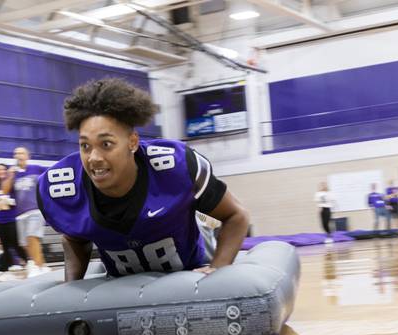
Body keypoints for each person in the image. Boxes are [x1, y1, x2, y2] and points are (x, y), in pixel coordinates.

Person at [36, 78, 249, 281]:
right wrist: (71, 290)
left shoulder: (176, 166)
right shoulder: (63, 186)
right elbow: (75, 239)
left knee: (201, 226)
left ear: (133, 142)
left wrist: (218, 269)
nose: (94, 158)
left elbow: (236, 215)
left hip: (192, 259)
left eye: (106, 144)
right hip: (123, 277)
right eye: (85, 146)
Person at [6, 147, 50, 277]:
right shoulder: (13, 173)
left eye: (21, 153)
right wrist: (10, 175)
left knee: (32, 237)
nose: (18, 155)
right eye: (16, 153)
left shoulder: (37, 169)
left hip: (36, 210)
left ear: (28, 156)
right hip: (20, 214)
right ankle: (42, 266)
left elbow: (50, 179)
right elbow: (4, 190)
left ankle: (35, 266)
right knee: (26, 244)